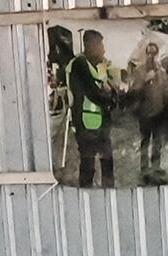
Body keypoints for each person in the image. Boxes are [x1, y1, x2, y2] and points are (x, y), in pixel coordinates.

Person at [67, 31, 118, 185]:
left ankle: (109, 193)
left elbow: (108, 85)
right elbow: (93, 93)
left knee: (107, 164)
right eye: (100, 45)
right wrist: (109, 97)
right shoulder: (79, 64)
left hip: (102, 125)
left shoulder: (100, 65)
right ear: (90, 45)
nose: (103, 50)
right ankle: (86, 195)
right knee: (88, 166)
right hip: (86, 125)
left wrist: (112, 95)